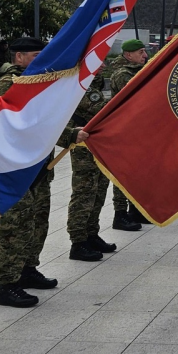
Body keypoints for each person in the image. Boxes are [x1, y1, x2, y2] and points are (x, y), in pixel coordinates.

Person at [0, 37, 58, 308]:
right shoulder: (11, 83)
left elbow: (43, 123)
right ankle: (7, 284)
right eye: (36, 55)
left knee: (37, 220)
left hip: (37, 165)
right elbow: (16, 123)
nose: (41, 60)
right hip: (16, 168)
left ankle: (28, 269)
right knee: (15, 226)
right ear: (19, 57)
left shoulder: (35, 81)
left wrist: (69, 134)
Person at [65, 47, 124, 262]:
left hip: (97, 146)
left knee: (99, 191)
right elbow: (99, 109)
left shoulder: (95, 84)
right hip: (83, 148)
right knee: (84, 194)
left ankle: (91, 234)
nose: (104, 65)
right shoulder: (80, 84)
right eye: (99, 61)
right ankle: (78, 242)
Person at [106, 39, 149, 228]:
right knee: (123, 173)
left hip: (138, 130)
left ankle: (135, 210)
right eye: (140, 52)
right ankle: (120, 214)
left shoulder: (137, 71)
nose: (145, 56)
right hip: (125, 130)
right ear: (128, 55)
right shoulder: (123, 74)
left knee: (137, 172)